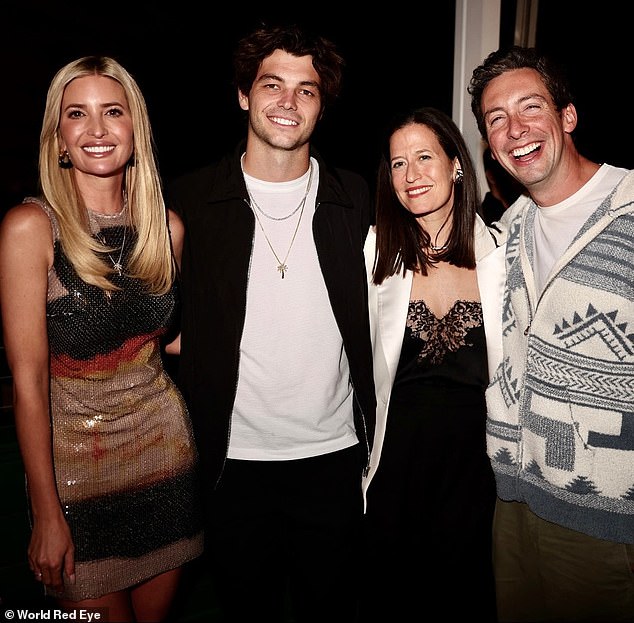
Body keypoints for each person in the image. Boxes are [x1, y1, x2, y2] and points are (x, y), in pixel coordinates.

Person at [166, 23, 376, 623]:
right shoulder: (188, 201)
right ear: (243, 94)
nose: (288, 101)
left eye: (306, 90)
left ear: (322, 105)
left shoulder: (355, 198)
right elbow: (150, 313)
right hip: (231, 465)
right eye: (272, 84)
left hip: (335, 461)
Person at [0, 56, 203, 621]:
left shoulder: (166, 227)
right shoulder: (31, 228)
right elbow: (27, 380)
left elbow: (156, 340)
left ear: (134, 128)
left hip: (166, 457)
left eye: (112, 112)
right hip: (74, 474)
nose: (96, 129)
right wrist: (45, 511)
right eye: (77, 114)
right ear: (59, 136)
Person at [469, 45, 634, 622]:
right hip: (514, 506)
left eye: (530, 107)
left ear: (567, 116)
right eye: (496, 119)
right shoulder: (504, 235)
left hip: (607, 521)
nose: (515, 130)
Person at [360, 106, 501, 622]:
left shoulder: (501, 255)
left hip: (477, 471)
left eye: (423, 157)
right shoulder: (375, 252)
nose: (410, 174)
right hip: (396, 464)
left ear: (456, 165)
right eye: (398, 164)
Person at [480, 146, 525, 225]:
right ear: (491, 176)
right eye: (504, 170)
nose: (513, 175)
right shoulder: (484, 219)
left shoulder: (524, 202)